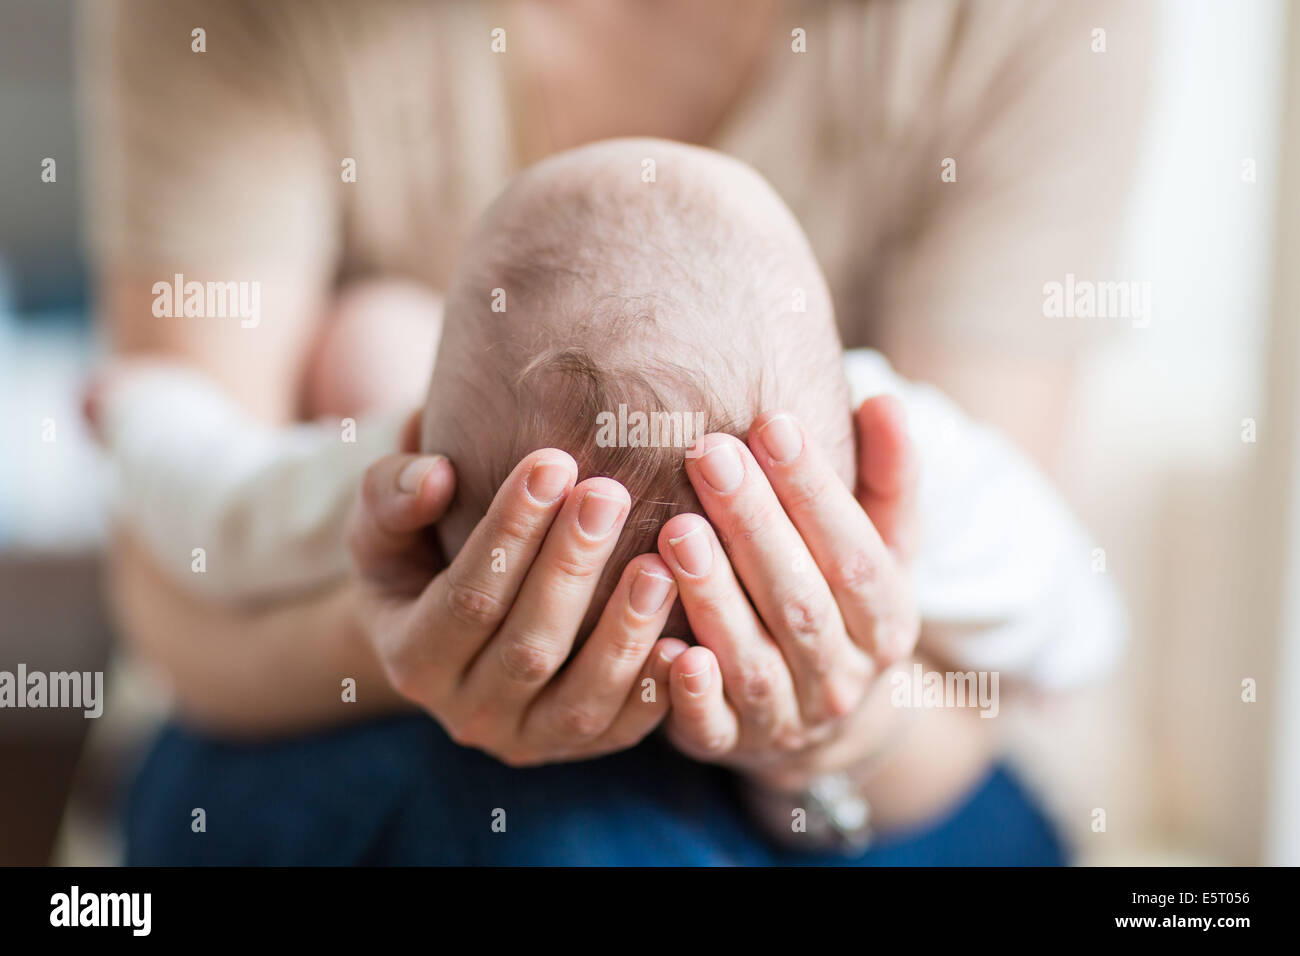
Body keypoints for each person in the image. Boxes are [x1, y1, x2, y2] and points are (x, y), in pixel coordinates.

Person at [83, 0, 1152, 863]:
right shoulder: (900, 446)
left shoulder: (396, 475)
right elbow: (1062, 607)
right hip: (355, 711)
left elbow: (215, 506)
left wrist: (135, 414)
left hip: (851, 775)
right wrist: (379, 648)